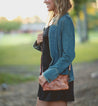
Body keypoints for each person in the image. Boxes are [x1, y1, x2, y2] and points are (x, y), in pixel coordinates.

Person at [33, 0, 75, 106]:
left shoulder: (65, 20)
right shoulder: (53, 19)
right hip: (47, 75)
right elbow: (52, 52)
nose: (44, 1)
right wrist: (39, 43)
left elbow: (68, 55)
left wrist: (48, 75)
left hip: (57, 77)